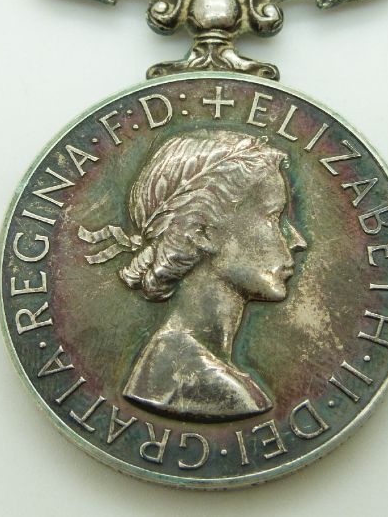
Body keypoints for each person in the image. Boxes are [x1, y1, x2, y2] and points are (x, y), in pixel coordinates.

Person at [79, 129, 307, 421]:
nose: (297, 240)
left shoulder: (185, 365)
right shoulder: (199, 382)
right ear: (201, 232)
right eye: (273, 217)